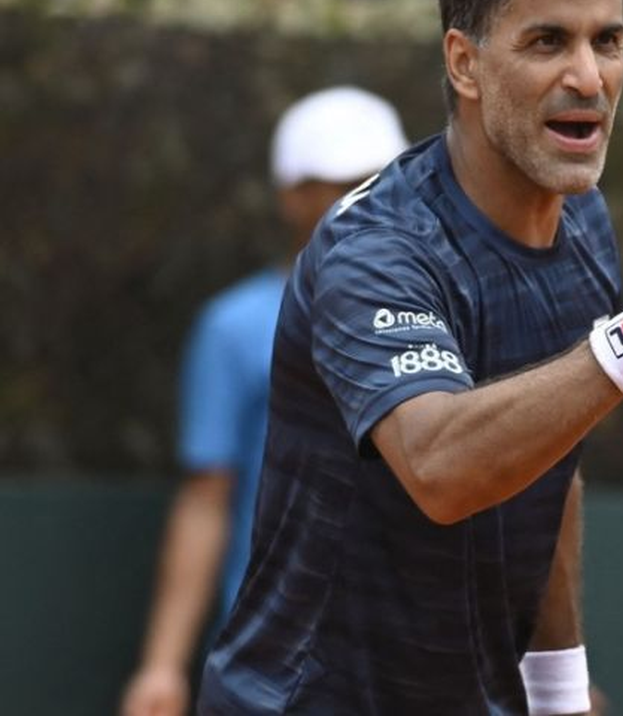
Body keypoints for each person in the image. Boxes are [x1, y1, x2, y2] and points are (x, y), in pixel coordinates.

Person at [197, 0, 623, 715]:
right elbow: (442, 467)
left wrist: (560, 694)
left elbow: (551, 461)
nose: (588, 77)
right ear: (464, 62)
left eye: (607, 41)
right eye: (547, 41)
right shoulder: (374, 250)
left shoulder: (583, 222)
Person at [119, 87, 409, 716]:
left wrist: (547, 664)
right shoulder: (231, 327)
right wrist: (163, 667)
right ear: (290, 196)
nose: (356, 200)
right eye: (333, 182)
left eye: (373, 180)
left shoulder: (454, 313)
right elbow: (205, 499)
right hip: (278, 673)